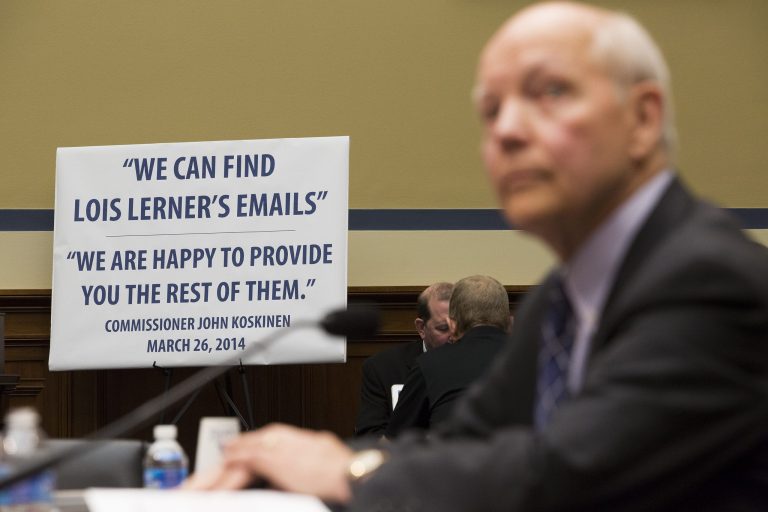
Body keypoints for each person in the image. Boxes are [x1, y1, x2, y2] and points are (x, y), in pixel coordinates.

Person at [187, 2, 768, 509]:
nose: (507, 130)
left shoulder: (706, 277)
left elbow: (569, 474)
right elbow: (464, 446)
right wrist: (293, 465)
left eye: (550, 93)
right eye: (490, 110)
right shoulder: (567, 297)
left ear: (643, 119)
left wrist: (348, 471)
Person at [385, 275, 510, 438]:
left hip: (451, 461)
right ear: (509, 322)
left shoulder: (429, 365)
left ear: (452, 325)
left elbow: (392, 442)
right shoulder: (539, 360)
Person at [355, 282, 454, 437]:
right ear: (421, 328)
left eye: (461, 327)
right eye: (443, 328)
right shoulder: (382, 367)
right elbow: (370, 435)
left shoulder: (481, 361)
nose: (453, 337)